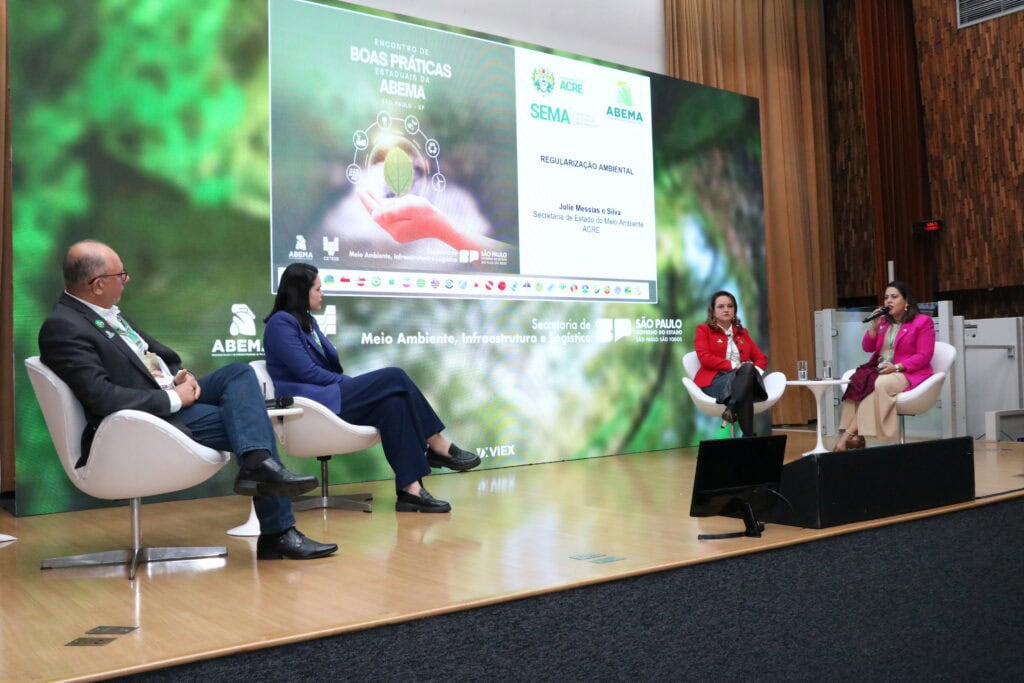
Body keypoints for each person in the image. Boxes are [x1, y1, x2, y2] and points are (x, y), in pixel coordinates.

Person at [38, 240, 337, 561]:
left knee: (237, 375)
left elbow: (161, 356)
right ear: (97, 285)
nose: (127, 280)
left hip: (164, 397)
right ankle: (277, 527)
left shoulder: (107, 314)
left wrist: (180, 377)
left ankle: (258, 469)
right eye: (121, 275)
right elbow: (102, 398)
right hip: (134, 424)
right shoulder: (63, 327)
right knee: (247, 420)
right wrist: (172, 398)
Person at [262, 263, 480, 513]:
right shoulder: (281, 324)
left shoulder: (307, 323)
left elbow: (329, 367)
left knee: (394, 404)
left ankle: (411, 490)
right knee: (394, 376)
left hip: (330, 398)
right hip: (311, 405)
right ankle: (438, 444)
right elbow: (307, 373)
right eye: (318, 289)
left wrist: (347, 384)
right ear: (301, 291)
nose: (322, 294)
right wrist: (351, 384)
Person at [833, 280, 934, 450]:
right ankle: (856, 437)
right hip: (881, 369)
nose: (888, 301)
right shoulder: (884, 323)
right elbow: (867, 347)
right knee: (857, 380)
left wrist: (896, 367)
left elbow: (924, 356)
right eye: (886, 297)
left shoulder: (922, 322)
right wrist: (874, 327)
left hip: (906, 372)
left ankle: (848, 437)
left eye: (894, 297)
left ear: (906, 301)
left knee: (876, 384)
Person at [693, 290, 768, 437]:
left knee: (747, 371)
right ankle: (749, 437)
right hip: (715, 382)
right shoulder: (704, 330)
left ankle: (732, 407)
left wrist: (752, 374)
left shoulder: (743, 333)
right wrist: (734, 366)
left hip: (740, 380)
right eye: (721, 307)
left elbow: (761, 359)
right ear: (713, 311)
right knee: (745, 377)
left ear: (735, 310)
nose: (726, 309)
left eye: (730, 306)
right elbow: (705, 358)